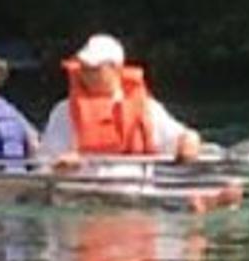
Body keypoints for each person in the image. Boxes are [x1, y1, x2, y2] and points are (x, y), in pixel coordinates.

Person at [41, 33, 202, 167]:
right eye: (84, 68)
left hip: (133, 189)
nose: (87, 74)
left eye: (95, 69)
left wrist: (189, 140)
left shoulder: (147, 108)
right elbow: (45, 162)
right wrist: (60, 166)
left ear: (115, 69)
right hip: (80, 191)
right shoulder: (64, 111)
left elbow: (178, 137)